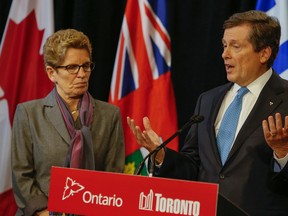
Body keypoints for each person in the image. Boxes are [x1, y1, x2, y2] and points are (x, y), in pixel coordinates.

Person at [127, 10, 288, 216]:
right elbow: (194, 165)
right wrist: (161, 155)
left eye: (235, 46)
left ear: (264, 53)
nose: (225, 54)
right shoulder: (208, 100)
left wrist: (283, 154)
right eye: (224, 45)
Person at [11, 29, 125, 216]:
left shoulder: (109, 115)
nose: (82, 74)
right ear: (51, 73)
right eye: (72, 67)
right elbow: (21, 175)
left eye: (86, 66)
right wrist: (45, 211)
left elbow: (113, 175)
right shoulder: (29, 114)